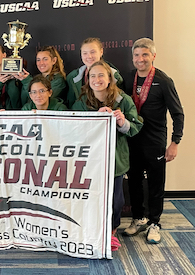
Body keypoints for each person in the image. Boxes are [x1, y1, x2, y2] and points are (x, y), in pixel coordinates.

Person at [72, 61, 142, 251]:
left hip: (115, 160)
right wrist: (95, 117)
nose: (97, 80)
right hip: (89, 161)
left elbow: (135, 128)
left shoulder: (123, 100)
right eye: (93, 76)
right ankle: (91, 230)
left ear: (110, 78)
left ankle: (111, 231)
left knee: (116, 200)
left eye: (101, 75)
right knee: (89, 198)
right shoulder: (81, 101)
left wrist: (122, 122)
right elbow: (74, 129)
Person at [123, 38, 184, 244]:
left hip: (155, 141)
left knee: (156, 184)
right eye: (137, 55)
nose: (140, 59)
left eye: (145, 54)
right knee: (135, 182)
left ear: (153, 56)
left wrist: (175, 142)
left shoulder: (163, 81)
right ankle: (139, 218)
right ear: (132, 58)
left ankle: (155, 223)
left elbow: (178, 113)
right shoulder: (128, 78)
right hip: (132, 139)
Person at [67, 37, 123, 108]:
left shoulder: (115, 77)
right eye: (85, 53)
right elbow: (70, 106)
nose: (89, 56)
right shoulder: (72, 77)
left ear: (101, 52)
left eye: (93, 52)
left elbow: (119, 103)